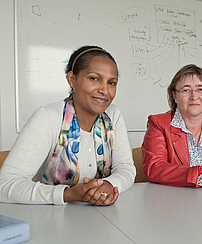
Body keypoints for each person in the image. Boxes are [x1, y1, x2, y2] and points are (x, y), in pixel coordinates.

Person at [0, 46, 136, 205]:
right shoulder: (48, 117)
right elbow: (5, 185)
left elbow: (126, 168)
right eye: (94, 78)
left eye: (111, 83)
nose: (105, 90)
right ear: (72, 79)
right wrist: (67, 194)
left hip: (98, 220)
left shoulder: (113, 115)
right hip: (47, 220)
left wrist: (108, 185)